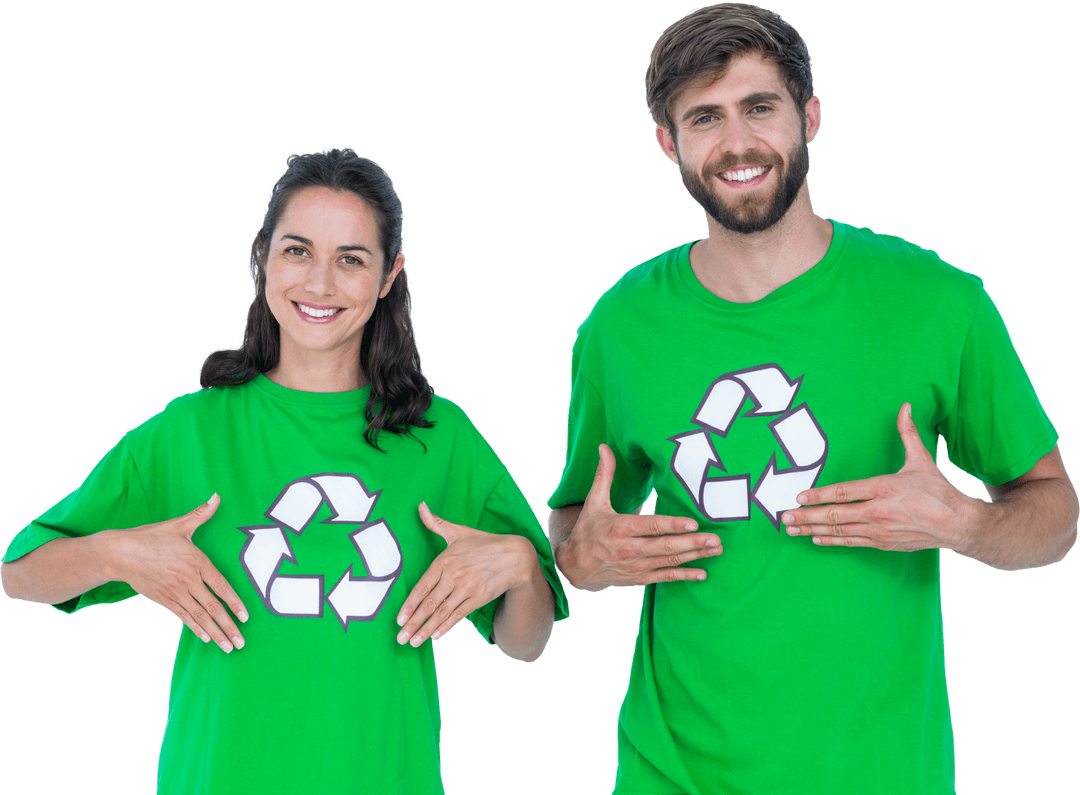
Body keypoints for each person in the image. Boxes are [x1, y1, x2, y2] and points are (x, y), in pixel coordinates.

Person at [546, 4, 1078, 795]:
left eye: (760, 107)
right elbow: (577, 521)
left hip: (878, 772)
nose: (737, 143)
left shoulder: (938, 304)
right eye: (705, 118)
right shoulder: (618, 330)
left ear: (811, 117)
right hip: (672, 770)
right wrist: (578, 559)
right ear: (668, 142)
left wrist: (965, 523)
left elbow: (1056, 513)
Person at [1, 147, 569, 794]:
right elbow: (19, 574)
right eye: (298, 251)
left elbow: (525, 642)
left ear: (389, 275)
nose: (319, 284)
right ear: (264, 256)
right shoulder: (192, 431)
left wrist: (521, 565)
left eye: (351, 259)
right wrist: (118, 553)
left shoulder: (439, 439)